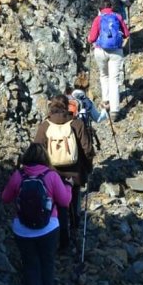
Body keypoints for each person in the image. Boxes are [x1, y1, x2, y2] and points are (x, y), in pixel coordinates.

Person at [0, 143, 72, 285]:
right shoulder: (52, 175)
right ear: (44, 158)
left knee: (31, 266)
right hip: (48, 229)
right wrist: (68, 186)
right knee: (47, 265)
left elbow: (5, 198)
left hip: (23, 231)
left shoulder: (18, 175)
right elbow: (64, 202)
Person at [33, 94, 96, 251]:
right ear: (67, 106)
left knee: (58, 205)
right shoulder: (77, 123)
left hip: (52, 174)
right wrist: (87, 168)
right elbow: (87, 150)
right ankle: (75, 229)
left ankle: (62, 239)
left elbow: (36, 151)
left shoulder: (44, 126)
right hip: (74, 173)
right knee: (74, 201)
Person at [87, 0, 129, 120]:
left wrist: (88, 40)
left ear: (100, 8)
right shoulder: (118, 17)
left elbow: (92, 38)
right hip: (116, 51)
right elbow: (126, 34)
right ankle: (115, 111)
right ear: (111, 7)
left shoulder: (98, 19)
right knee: (114, 80)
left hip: (101, 50)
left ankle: (106, 102)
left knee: (104, 75)